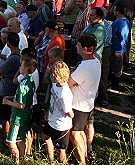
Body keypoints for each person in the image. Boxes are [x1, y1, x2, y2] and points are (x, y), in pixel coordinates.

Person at [68, 34, 101, 165]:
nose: (76, 46)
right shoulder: (96, 61)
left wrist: (70, 73)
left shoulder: (85, 67)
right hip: (88, 102)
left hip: (78, 105)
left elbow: (69, 82)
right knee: (80, 132)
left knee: (75, 134)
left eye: (79, 45)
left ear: (85, 49)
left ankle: (82, 161)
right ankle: (85, 156)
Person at [3, 58, 36, 165]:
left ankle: (16, 161)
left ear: (26, 69)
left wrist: (7, 102)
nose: (19, 68)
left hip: (18, 116)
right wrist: (13, 97)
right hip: (27, 115)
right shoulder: (31, 81)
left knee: (11, 141)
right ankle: (22, 159)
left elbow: (21, 105)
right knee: (21, 138)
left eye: (21, 66)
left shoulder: (22, 85)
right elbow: (25, 99)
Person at [42, 61, 73, 165]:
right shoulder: (56, 84)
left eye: (52, 74)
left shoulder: (65, 93)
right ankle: (50, 159)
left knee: (61, 149)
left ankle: (62, 162)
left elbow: (68, 111)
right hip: (51, 118)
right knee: (45, 136)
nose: (50, 76)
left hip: (61, 124)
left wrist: (73, 115)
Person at [0, 32, 21, 139]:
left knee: (4, 116)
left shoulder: (12, 59)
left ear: (8, 43)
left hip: (6, 90)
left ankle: (6, 137)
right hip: (13, 89)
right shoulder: (19, 55)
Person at [110, 3, 131, 91]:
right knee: (119, 65)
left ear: (118, 12)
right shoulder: (126, 21)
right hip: (122, 46)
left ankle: (115, 83)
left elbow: (111, 33)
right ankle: (116, 81)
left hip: (116, 46)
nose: (113, 12)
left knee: (116, 66)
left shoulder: (118, 22)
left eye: (115, 10)